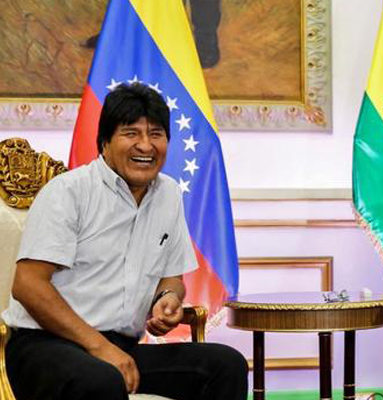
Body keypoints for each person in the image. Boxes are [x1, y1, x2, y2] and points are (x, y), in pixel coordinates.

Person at [2, 83, 248, 400]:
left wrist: (167, 298)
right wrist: (97, 346)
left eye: (156, 134)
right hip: (43, 345)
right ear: (105, 142)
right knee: (101, 380)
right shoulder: (68, 192)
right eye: (131, 133)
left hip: (120, 346)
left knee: (226, 365)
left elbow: (172, 278)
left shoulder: (169, 194)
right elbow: (27, 285)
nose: (145, 145)